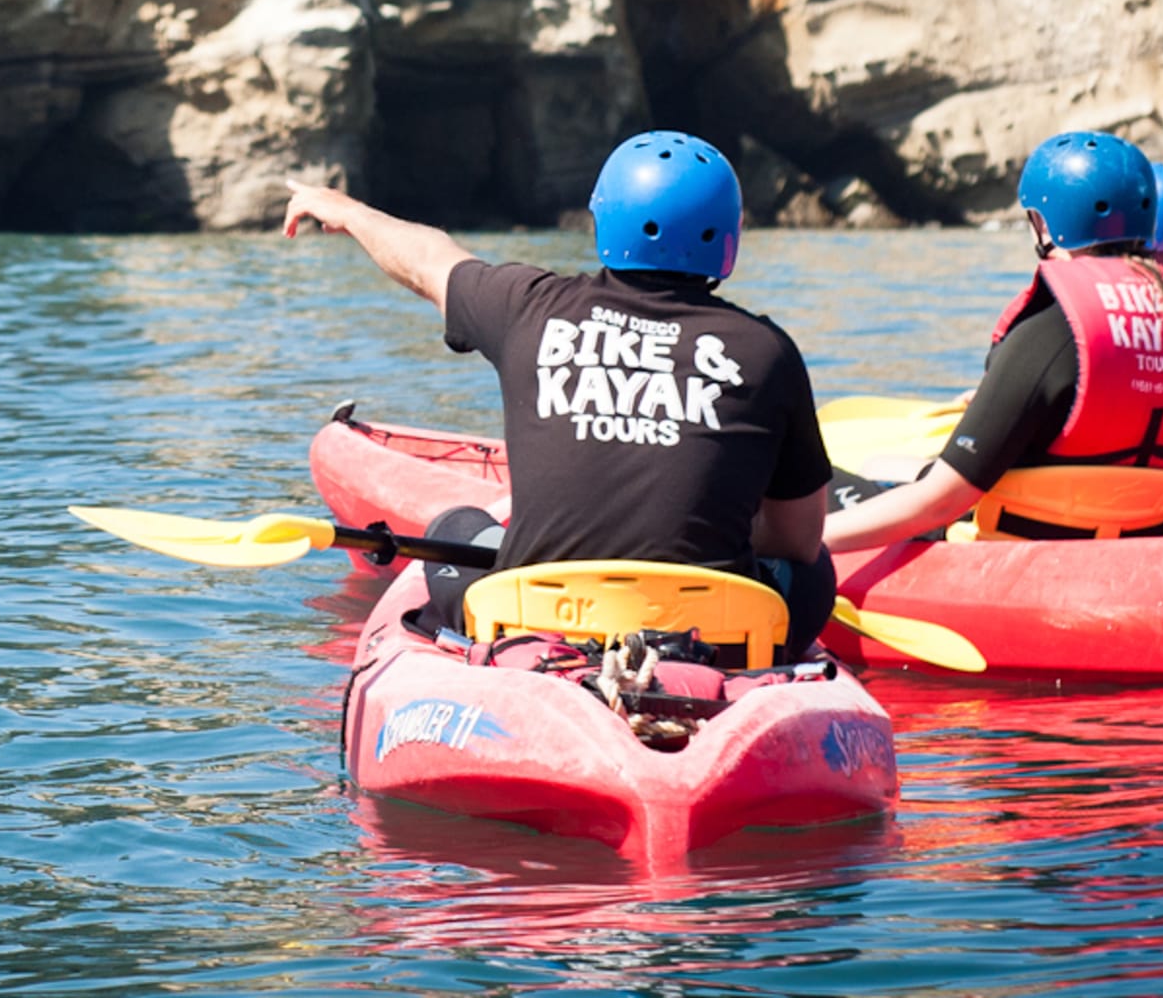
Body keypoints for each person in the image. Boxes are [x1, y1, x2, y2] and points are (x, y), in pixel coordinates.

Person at [282, 132, 838, 659]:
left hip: (536, 617)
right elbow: (797, 539)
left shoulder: (526, 307)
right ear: (728, 237)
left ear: (602, 218)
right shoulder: (767, 352)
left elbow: (428, 258)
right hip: (710, 634)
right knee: (814, 573)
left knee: (454, 528)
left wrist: (348, 211)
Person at [826, 133, 1163, 550]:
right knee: (888, 464)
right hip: (1143, 522)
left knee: (844, 478)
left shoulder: (1052, 331)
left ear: (1044, 222)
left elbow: (939, 503)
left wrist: (802, 542)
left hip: (1023, 540)